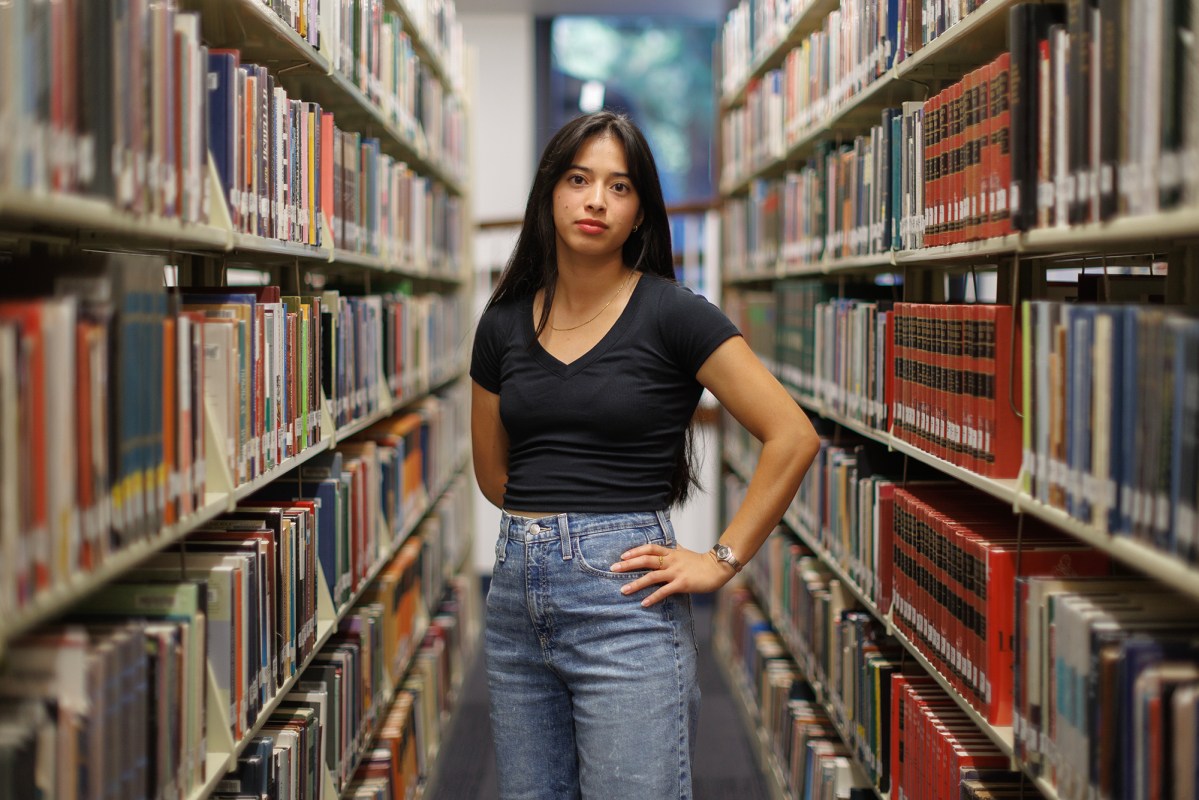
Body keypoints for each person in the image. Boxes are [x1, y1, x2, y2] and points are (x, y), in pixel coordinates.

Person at [470, 110, 819, 800]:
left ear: (640, 214)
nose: (595, 200)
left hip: (624, 594)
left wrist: (721, 560)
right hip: (513, 598)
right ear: (549, 193)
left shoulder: (674, 313)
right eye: (578, 179)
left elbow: (792, 435)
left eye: (619, 186)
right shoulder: (503, 321)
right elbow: (494, 474)